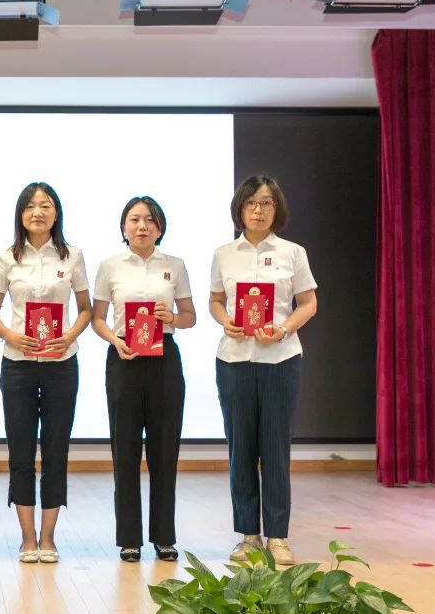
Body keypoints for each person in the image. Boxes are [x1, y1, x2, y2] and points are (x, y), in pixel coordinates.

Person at [209, 175, 317, 566]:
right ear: (240, 208)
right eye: (251, 203)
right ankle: (248, 536)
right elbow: (215, 300)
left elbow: (309, 303)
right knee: (241, 450)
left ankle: (277, 537)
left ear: (277, 209)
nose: (258, 210)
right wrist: (226, 321)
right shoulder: (224, 254)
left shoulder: (293, 253)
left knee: (275, 450)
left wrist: (283, 329)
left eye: (266, 203)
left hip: (280, 360)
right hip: (234, 361)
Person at [0, 182, 92, 563]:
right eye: (30, 206)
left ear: (56, 213)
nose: (38, 213)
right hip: (18, 364)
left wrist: (69, 336)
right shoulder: (7, 257)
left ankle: (49, 537)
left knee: (56, 449)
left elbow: (86, 309)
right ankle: (27, 537)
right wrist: (11, 335)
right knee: (21, 450)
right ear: (20, 214)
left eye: (45, 206)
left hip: (61, 364)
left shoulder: (73, 256)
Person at [91, 196, 196, 563]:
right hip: (124, 359)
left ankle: (164, 537)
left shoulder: (175, 266)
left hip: (164, 359)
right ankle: (129, 539)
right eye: (134, 219)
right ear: (123, 227)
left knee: (165, 452)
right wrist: (115, 340)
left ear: (160, 227)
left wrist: (173, 318)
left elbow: (190, 316)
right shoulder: (109, 266)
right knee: (125, 451)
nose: (142, 226)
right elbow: (98, 318)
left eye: (150, 220)